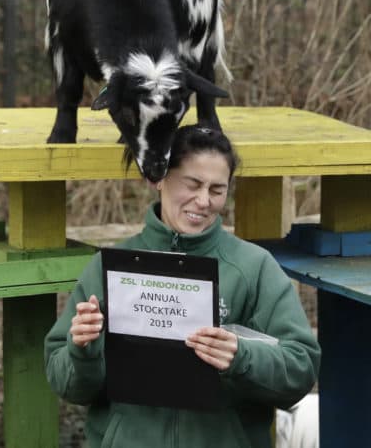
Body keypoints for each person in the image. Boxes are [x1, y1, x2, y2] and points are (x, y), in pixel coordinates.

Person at [44, 124, 321, 448]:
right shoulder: (110, 265)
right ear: (158, 176)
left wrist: (242, 356)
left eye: (217, 190)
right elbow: (67, 385)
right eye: (193, 184)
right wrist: (83, 350)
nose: (203, 201)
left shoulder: (253, 267)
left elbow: (300, 369)